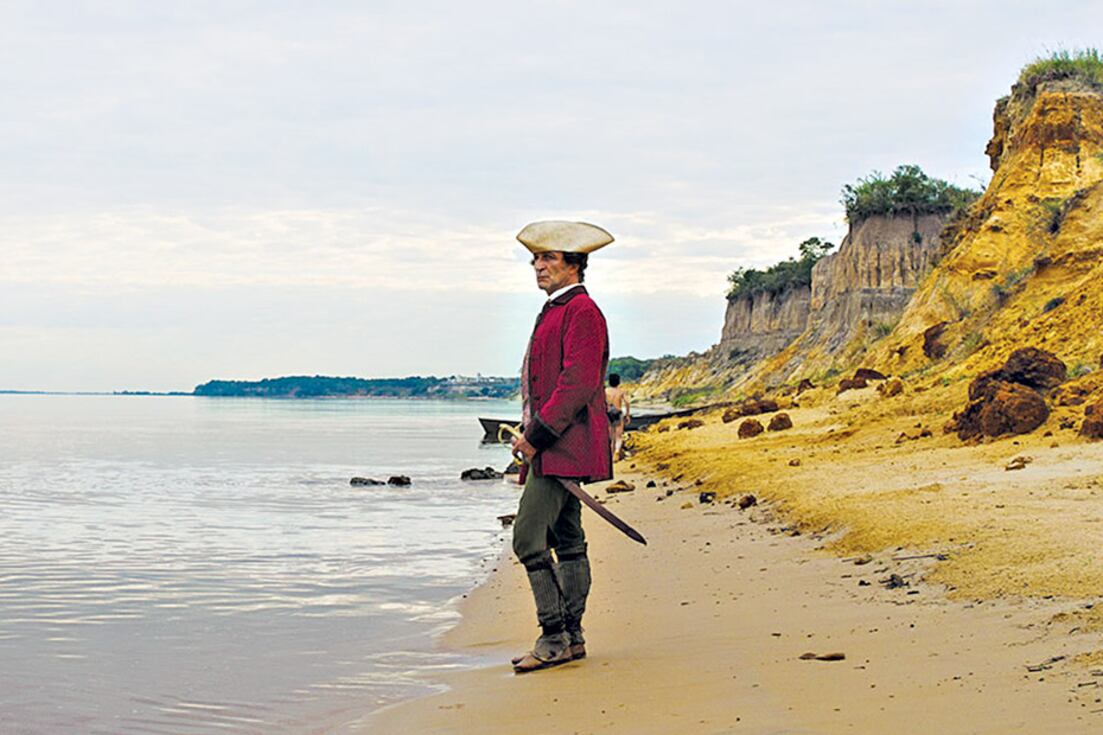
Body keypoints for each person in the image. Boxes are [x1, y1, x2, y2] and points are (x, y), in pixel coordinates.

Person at [509, 220, 614, 674]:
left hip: (561, 447)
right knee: (567, 539)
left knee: (528, 540)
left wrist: (534, 438)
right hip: (552, 444)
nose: (538, 265)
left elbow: (577, 384)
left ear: (575, 264)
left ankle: (554, 637)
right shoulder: (555, 309)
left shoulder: (582, 311)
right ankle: (571, 638)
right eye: (536, 258)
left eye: (548, 258)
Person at [605, 373, 631, 460]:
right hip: (618, 413)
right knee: (618, 436)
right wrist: (627, 415)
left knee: (610, 436)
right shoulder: (621, 391)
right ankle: (616, 451)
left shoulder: (606, 391)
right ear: (618, 382)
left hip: (608, 414)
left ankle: (610, 454)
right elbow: (627, 402)